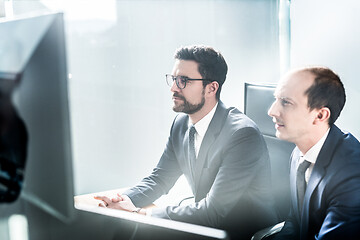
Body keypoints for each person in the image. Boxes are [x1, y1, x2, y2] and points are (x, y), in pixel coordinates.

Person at [95, 45, 278, 239]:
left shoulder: (242, 135)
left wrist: (140, 214)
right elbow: (159, 179)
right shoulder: (182, 123)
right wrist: (122, 200)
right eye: (174, 79)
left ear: (211, 88)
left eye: (184, 81)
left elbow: (213, 212)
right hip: (204, 226)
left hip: (239, 233)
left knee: (141, 229)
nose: (174, 87)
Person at [267, 66, 360, 239]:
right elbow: (295, 221)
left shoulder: (352, 173)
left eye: (286, 102)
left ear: (320, 115)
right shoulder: (298, 153)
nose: (272, 111)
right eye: (276, 100)